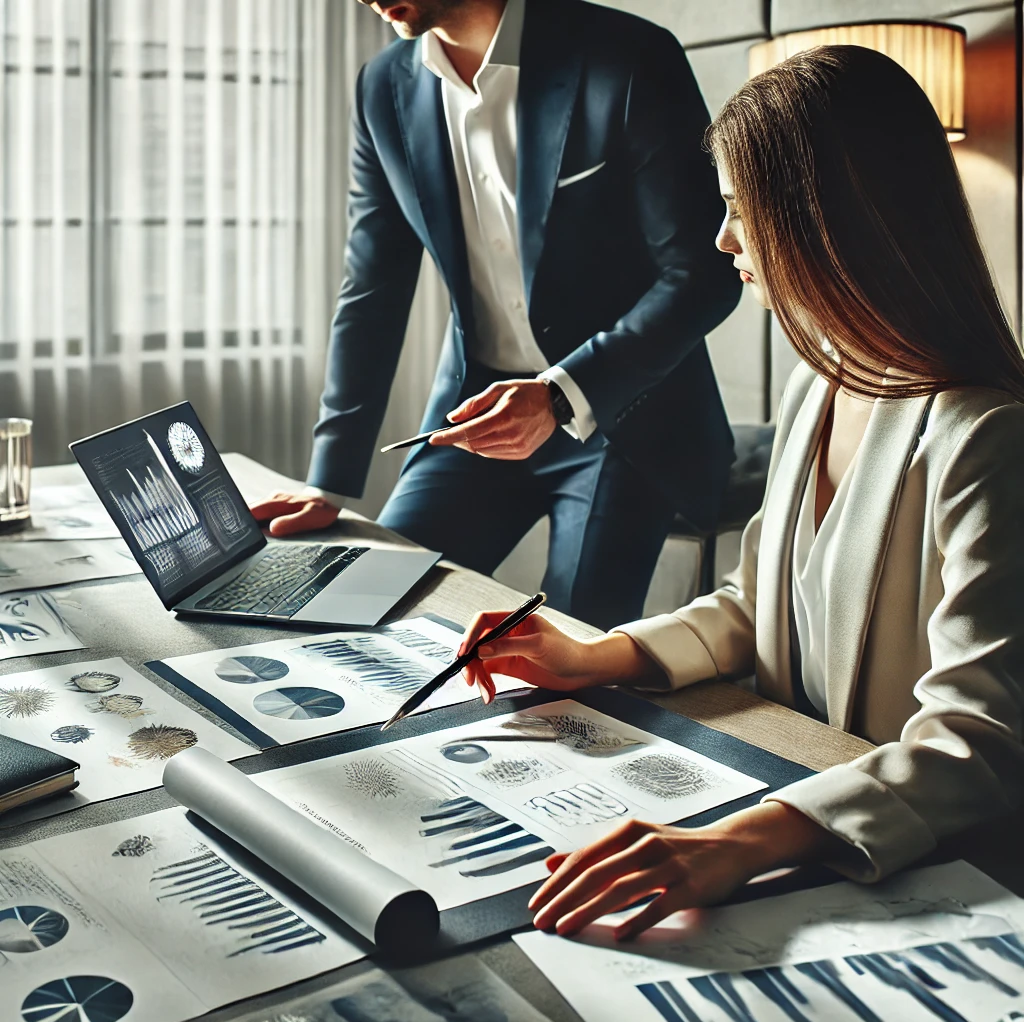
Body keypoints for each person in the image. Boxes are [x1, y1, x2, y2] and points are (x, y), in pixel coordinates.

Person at [458, 45, 1024, 940]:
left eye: (736, 209)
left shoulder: (988, 439)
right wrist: (591, 657)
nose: (722, 239)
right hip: (800, 779)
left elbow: (978, 745)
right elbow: (757, 604)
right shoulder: (822, 385)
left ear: (828, 218)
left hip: (936, 874)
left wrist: (734, 842)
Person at [248, 0, 741, 631]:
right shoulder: (383, 86)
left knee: (567, 647)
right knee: (358, 606)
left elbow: (702, 273)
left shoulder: (630, 56)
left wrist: (559, 397)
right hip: (474, 413)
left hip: (625, 419)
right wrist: (329, 482)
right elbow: (371, 286)